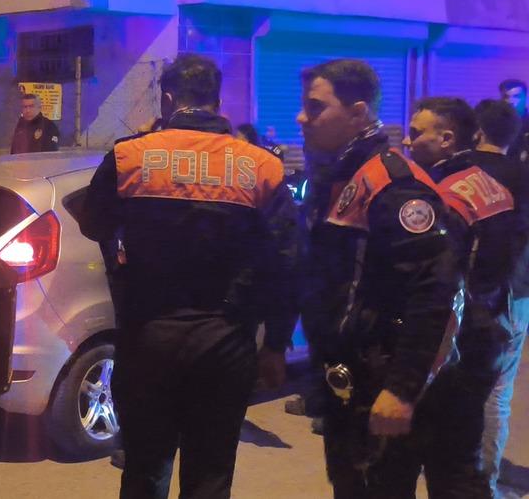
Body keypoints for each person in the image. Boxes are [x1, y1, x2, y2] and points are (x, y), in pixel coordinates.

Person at [77, 53, 296, 499]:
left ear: (168, 99)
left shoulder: (129, 156)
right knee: (210, 473)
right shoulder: (262, 166)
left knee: (144, 470)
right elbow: (287, 262)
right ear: (218, 102)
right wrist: (275, 344)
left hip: (148, 336)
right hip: (226, 340)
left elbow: (94, 224)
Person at [297, 59, 461, 498]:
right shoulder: (340, 175)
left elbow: (433, 289)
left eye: (315, 107)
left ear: (358, 113)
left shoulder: (393, 183)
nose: (301, 118)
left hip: (380, 376)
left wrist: (402, 389)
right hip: (348, 376)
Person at [404, 97, 521, 494]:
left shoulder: (445, 192)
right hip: (491, 322)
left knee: (443, 462)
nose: (407, 141)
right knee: (464, 450)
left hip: (454, 342)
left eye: (416, 133)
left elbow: (438, 280)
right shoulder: (489, 185)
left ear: (447, 139)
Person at [471, 99, 529, 495]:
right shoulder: (523, 176)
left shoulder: (460, 174)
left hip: (469, 293)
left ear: (477, 130)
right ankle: (484, 483)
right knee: (496, 393)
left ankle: (458, 473)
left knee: (459, 385)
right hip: (514, 294)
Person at [498, 79, 529, 166]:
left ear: (526, 97)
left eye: (516, 96)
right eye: (506, 97)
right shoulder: (497, 123)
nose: (511, 101)